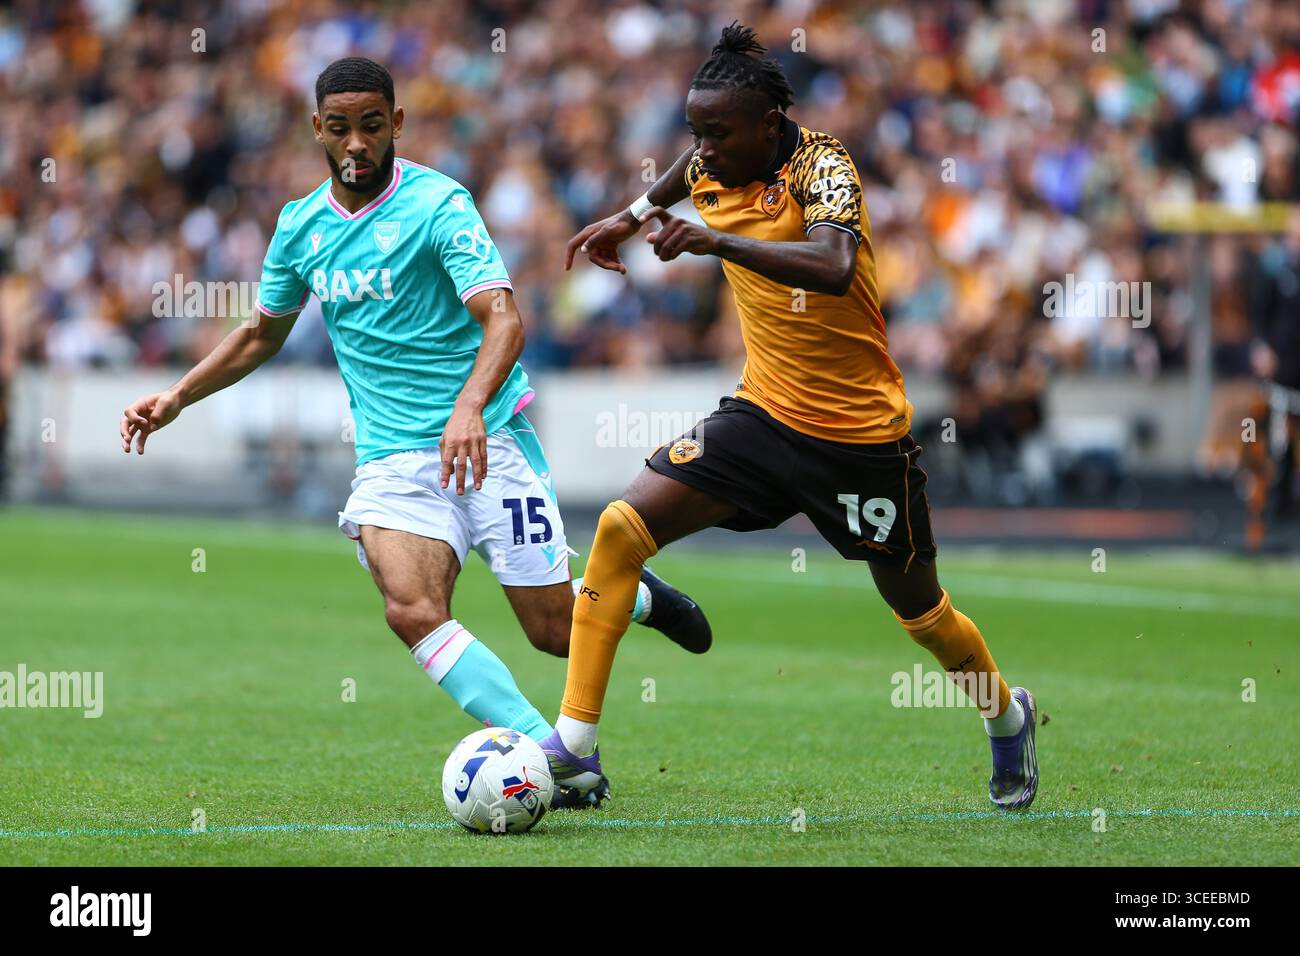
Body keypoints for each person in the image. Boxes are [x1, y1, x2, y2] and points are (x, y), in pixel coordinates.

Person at [118, 57, 710, 809]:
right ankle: (553, 759)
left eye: (372, 126)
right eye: (340, 130)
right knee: (410, 607)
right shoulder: (301, 227)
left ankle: (639, 597)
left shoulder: (440, 205)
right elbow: (260, 334)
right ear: (318, 132)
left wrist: (466, 408)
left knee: (555, 631)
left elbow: (504, 317)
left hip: (488, 438)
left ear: (396, 123)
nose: (357, 144)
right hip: (394, 460)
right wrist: (176, 396)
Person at [542, 25, 1038, 811]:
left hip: (859, 442)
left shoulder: (823, 164)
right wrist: (632, 215)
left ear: (770, 124)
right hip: (763, 418)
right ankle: (574, 748)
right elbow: (685, 170)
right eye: (694, 132)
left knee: (923, 616)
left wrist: (713, 242)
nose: (703, 150)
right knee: (618, 529)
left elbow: (836, 268)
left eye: (718, 133)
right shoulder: (712, 158)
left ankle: (1006, 715)